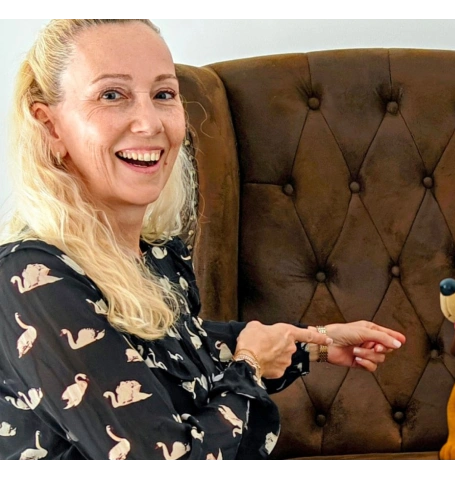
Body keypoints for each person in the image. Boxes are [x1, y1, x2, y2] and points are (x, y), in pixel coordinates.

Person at [0, 18, 406, 463]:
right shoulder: (29, 278)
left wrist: (315, 342)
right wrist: (250, 365)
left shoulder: (153, 257)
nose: (149, 123)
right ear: (51, 126)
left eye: (163, 94)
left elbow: (179, 353)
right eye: (111, 95)